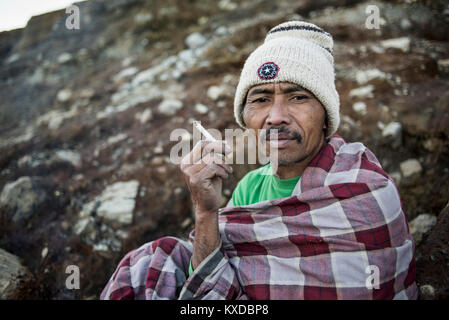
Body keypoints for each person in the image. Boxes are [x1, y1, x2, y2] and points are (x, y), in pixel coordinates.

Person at [100, 21, 417, 300]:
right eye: (261, 99)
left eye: (298, 97)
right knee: (150, 263)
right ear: (245, 118)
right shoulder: (250, 188)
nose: (275, 117)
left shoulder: (363, 188)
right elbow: (216, 283)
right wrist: (206, 211)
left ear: (325, 116)